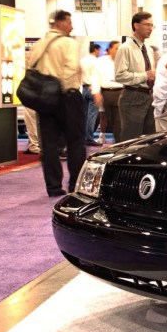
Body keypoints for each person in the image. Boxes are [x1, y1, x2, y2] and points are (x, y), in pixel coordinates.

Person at [26, 10, 86, 197]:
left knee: (49, 145)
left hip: (44, 98)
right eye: (69, 22)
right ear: (61, 22)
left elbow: (30, 69)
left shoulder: (38, 45)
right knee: (75, 141)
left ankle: (53, 187)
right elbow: (70, 68)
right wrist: (66, 88)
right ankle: (75, 184)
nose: (72, 26)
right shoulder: (69, 43)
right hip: (66, 96)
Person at [114, 12, 156, 142]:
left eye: (152, 25)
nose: (150, 28)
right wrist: (145, 76)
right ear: (136, 25)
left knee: (149, 139)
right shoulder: (125, 48)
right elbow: (119, 76)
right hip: (132, 96)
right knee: (132, 139)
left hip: (149, 96)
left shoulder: (148, 49)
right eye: (147, 25)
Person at [94, 40, 122, 145]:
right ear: (110, 49)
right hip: (106, 93)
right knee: (104, 116)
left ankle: (119, 143)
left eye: (120, 48)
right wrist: (96, 92)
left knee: (119, 122)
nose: (118, 50)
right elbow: (95, 77)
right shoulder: (101, 61)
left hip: (120, 92)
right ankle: (104, 136)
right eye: (116, 48)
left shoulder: (124, 61)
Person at [79, 42, 102, 145]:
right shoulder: (96, 61)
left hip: (83, 88)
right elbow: (96, 77)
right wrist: (96, 91)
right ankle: (89, 138)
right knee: (92, 115)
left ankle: (82, 137)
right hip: (93, 88)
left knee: (83, 115)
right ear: (96, 50)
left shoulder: (82, 61)